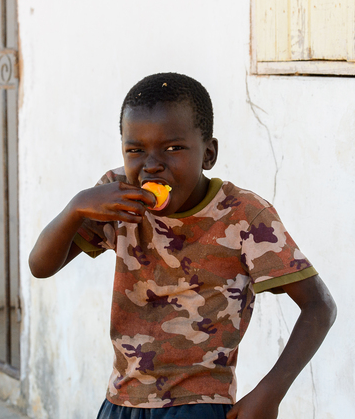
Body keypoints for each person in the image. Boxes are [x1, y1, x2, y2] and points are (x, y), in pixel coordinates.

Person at [29, 73, 337, 419]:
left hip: (199, 406)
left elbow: (320, 307)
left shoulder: (244, 215)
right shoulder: (116, 197)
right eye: (135, 150)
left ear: (209, 153)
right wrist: (75, 209)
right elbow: (40, 267)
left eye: (173, 148)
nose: (152, 165)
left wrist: (271, 391)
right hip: (121, 402)